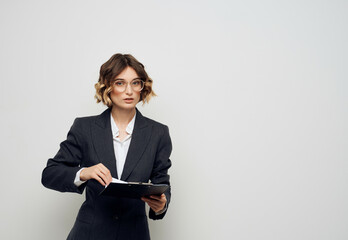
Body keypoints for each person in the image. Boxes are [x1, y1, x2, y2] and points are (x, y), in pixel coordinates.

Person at [41, 53, 172, 240]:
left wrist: (162, 204)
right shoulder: (84, 128)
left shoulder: (158, 133)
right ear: (107, 87)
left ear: (142, 87)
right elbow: (50, 174)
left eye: (135, 83)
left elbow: (162, 182)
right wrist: (84, 172)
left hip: (134, 234)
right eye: (120, 83)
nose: (129, 91)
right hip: (89, 234)